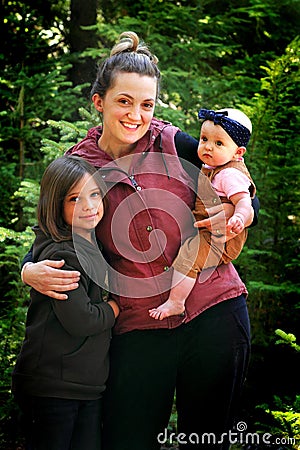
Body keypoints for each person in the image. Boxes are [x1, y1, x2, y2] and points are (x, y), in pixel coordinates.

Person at [20, 32, 259, 450]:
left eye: (146, 104)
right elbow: (50, 230)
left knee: (207, 441)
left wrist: (239, 208)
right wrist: (28, 268)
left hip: (215, 312)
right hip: (139, 327)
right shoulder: (78, 164)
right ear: (100, 102)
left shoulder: (172, 141)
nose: (136, 115)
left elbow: (233, 170)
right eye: (124, 101)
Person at [12, 155, 119, 450]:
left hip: (83, 385)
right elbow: (81, 319)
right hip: (54, 387)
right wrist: (114, 308)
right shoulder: (62, 254)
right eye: (75, 199)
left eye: (95, 194)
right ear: (55, 205)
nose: (89, 206)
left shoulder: (87, 241)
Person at [149, 107, 256, 320]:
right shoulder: (214, 165)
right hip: (209, 229)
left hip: (222, 236)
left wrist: (239, 217)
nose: (207, 147)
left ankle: (176, 302)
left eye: (218, 143)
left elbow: (245, 201)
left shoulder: (228, 174)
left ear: (238, 152)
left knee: (189, 257)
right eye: (204, 139)